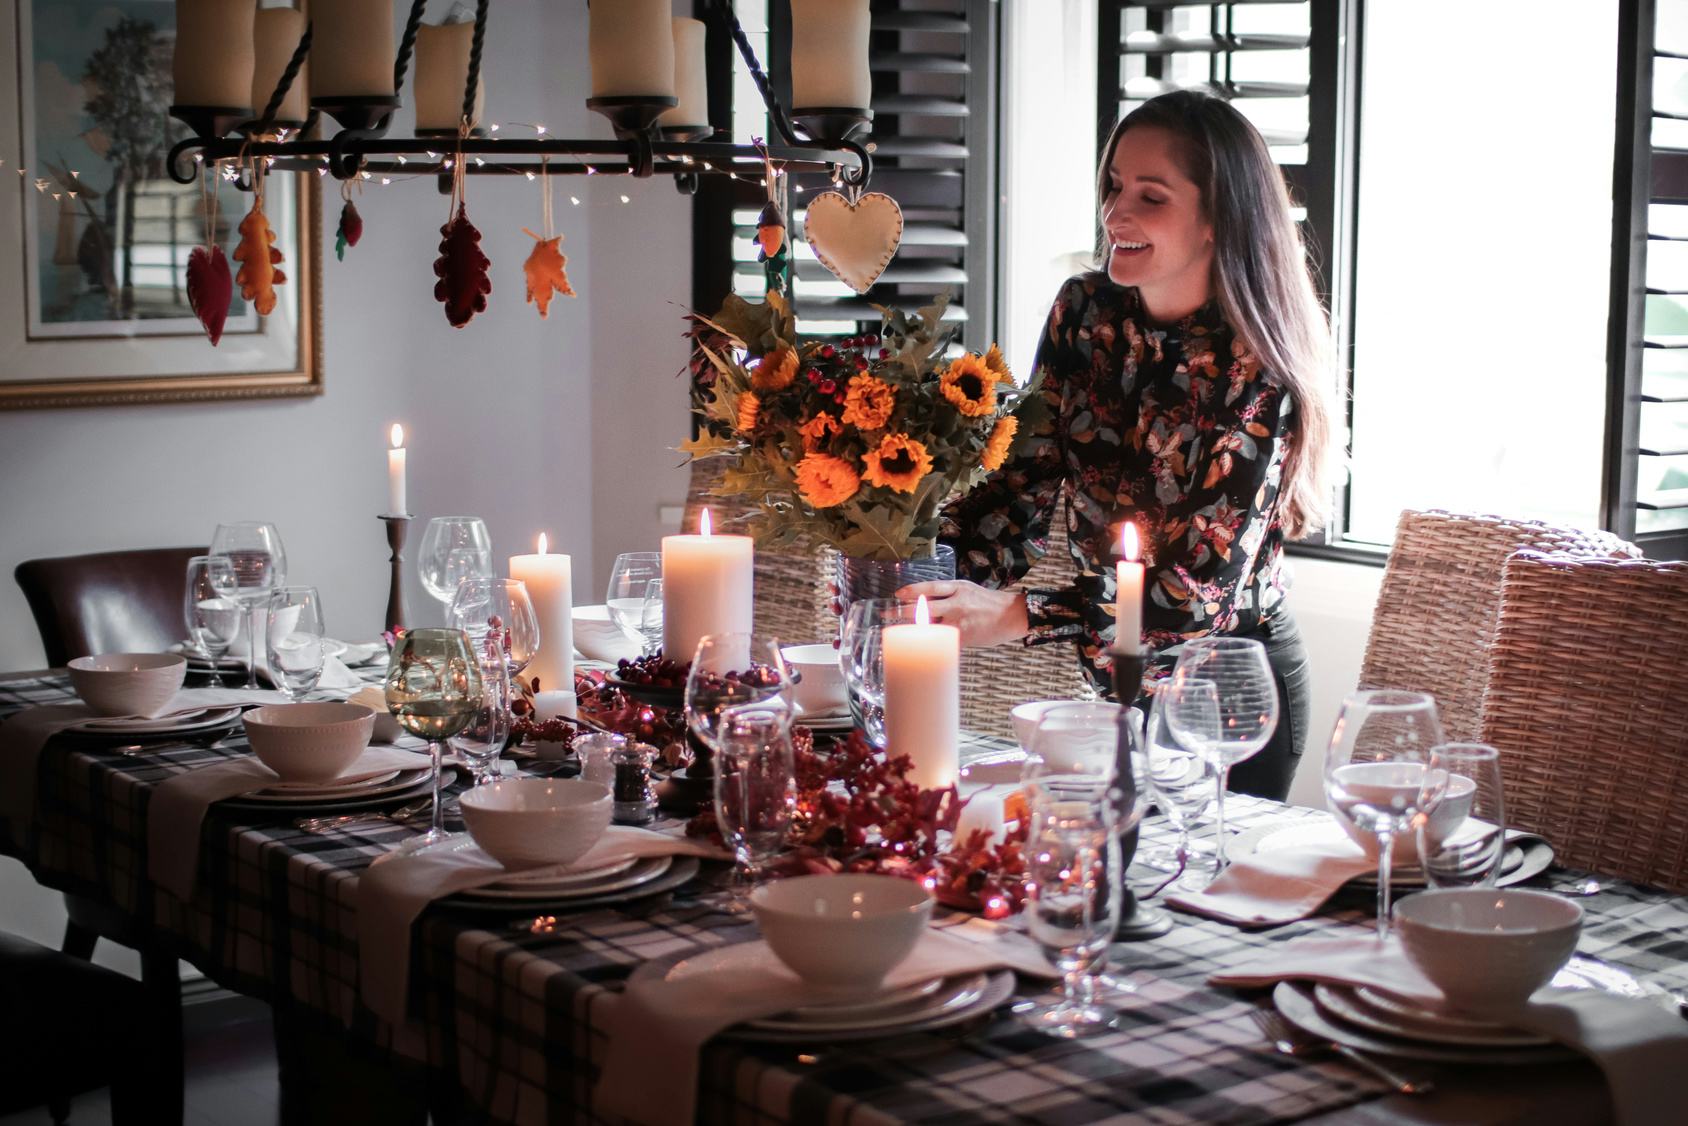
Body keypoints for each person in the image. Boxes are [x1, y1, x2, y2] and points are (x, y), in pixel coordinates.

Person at [902, 90, 1332, 801]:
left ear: (1218, 220)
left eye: (1151, 197)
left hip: (1227, 692)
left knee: (1192, 870)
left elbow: (1192, 598)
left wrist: (1012, 614)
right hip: (1114, 687)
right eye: (1114, 186)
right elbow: (1020, 485)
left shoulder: (1256, 368)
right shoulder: (1084, 312)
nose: (1115, 213)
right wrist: (915, 569)